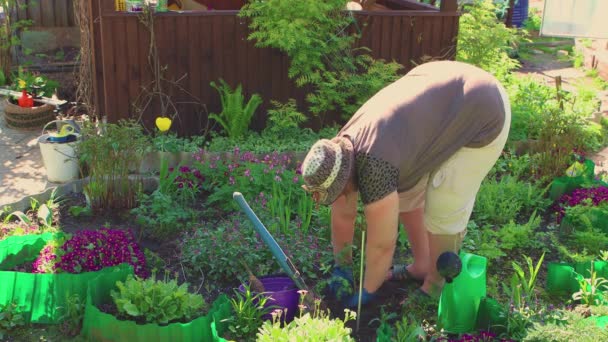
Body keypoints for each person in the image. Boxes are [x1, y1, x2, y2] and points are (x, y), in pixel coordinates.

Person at [300, 60, 511, 308]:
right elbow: (343, 213)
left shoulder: (375, 166)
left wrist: (368, 291)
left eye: (336, 192)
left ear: (345, 178)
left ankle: (435, 284)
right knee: (408, 193)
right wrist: (341, 266)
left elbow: (382, 244)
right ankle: (422, 265)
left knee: (444, 202)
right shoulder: (340, 151)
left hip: (481, 109)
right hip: (444, 93)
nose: (338, 197)